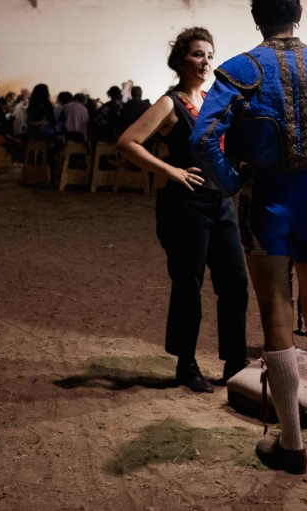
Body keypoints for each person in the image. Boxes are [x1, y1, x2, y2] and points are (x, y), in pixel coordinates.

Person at [191, 0, 307, 475]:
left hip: (265, 200)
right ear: (300, 11)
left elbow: (204, 140)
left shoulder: (239, 71)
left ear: (256, 17)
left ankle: (291, 443)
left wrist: (229, 183)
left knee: (275, 316)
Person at [117, 27, 250, 395]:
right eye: (196, 54)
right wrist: (169, 170)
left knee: (235, 282)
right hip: (186, 205)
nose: (204, 61)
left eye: (209, 54)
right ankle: (186, 364)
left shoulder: (212, 100)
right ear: (180, 61)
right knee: (189, 285)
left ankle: (235, 361)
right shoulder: (168, 103)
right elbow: (127, 142)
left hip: (220, 202)